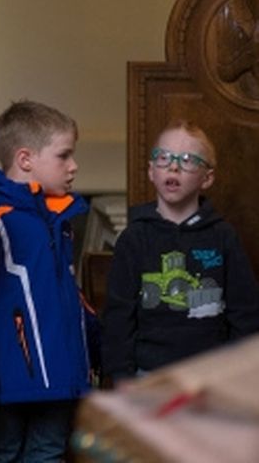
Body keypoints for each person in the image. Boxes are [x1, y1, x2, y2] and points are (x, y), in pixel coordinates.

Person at [0, 100, 92, 463]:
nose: (73, 167)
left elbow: (69, 297)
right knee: (4, 454)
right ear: (26, 160)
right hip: (9, 380)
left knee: (49, 454)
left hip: (60, 378)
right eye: (64, 156)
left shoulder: (61, 219)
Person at [101, 120, 259, 380]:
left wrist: (236, 374)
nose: (173, 166)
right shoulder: (134, 237)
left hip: (211, 376)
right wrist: (121, 378)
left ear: (206, 178)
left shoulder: (223, 236)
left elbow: (245, 314)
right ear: (152, 171)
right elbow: (118, 317)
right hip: (148, 375)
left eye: (187, 160)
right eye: (163, 158)